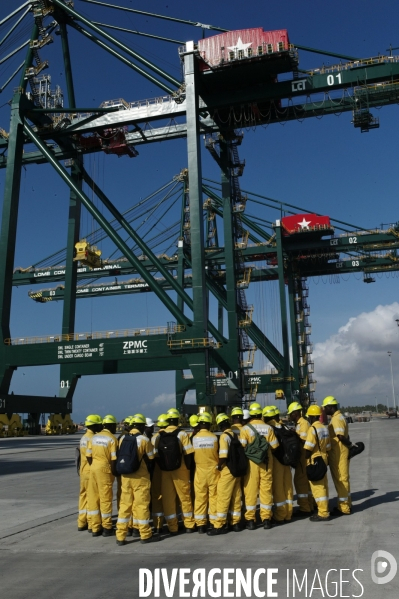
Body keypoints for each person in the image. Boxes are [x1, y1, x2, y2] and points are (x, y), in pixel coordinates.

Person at [116, 414, 159, 545]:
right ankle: (145, 535)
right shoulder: (143, 440)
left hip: (126, 476)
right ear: (141, 426)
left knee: (125, 506)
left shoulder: (123, 438)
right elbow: (151, 457)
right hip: (140, 477)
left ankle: (120, 536)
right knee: (141, 506)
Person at [153, 407, 195, 534]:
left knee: (168, 499)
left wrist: (163, 467)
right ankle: (189, 524)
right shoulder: (182, 434)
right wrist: (188, 470)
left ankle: (172, 527)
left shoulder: (159, 436)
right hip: (180, 470)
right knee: (185, 497)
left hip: (165, 471)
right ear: (177, 420)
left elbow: (155, 455)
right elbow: (188, 454)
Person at [239, 402, 279, 530]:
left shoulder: (245, 429)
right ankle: (266, 519)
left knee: (250, 491)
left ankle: (250, 520)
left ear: (250, 414)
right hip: (266, 463)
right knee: (266, 490)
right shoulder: (269, 428)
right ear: (261, 414)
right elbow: (274, 446)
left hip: (251, 463)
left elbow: (242, 447)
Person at [207, 413, 242, 536]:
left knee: (222, 497)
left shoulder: (223, 437)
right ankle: (235, 523)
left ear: (220, 424)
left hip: (228, 471)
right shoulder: (235, 434)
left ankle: (219, 525)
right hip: (237, 471)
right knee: (236, 497)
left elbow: (223, 456)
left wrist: (218, 466)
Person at [86, 414, 118, 537]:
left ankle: (95, 527)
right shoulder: (112, 439)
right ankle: (107, 527)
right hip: (105, 469)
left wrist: (94, 465)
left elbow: (88, 456)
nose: (115, 428)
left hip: (93, 467)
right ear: (110, 426)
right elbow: (114, 459)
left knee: (93, 497)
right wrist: (114, 472)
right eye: (114, 425)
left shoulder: (94, 438)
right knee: (105, 499)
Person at [262, 406, 293, 524]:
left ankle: (280, 514)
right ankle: (288, 513)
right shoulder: (283, 426)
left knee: (278, 488)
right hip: (286, 460)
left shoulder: (270, 428)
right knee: (288, 487)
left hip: (277, 461)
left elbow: (273, 446)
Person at [322, 396, 352, 515]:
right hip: (340, 452)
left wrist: (351, 445)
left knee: (341, 479)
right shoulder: (338, 417)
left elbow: (340, 436)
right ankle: (346, 504)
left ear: (330, 407)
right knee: (344, 480)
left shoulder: (336, 419)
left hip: (338, 453)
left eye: (325, 408)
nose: (324, 410)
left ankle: (344, 508)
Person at [192, 412, 219, 532]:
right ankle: (213, 522)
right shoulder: (214, 438)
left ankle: (200, 524)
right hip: (214, 470)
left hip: (200, 471)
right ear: (209, 424)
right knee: (214, 497)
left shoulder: (194, 438)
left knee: (200, 497)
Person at [304, 405, 331, 522]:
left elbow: (308, 448)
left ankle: (323, 513)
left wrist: (305, 459)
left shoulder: (312, 429)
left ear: (311, 417)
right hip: (324, 458)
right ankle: (324, 509)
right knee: (324, 486)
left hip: (315, 459)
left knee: (318, 488)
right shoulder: (324, 428)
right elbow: (328, 446)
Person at [77, 414, 103, 532]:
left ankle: (82, 522)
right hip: (90, 471)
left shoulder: (83, 437)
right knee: (93, 497)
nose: (101, 426)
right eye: (99, 424)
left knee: (83, 496)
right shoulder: (92, 439)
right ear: (94, 425)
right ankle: (92, 523)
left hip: (83, 471)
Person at [288, 401, 312, 517]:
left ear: (295, 413)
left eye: (290, 414)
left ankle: (305, 508)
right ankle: (309, 505)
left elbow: (304, 440)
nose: (289, 416)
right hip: (301, 458)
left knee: (300, 482)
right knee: (305, 483)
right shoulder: (299, 424)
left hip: (303, 458)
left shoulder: (303, 424)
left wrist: (294, 435)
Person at [150, 413, 169, 534]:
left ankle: (158, 525)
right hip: (169, 470)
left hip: (157, 470)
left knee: (156, 497)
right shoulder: (174, 436)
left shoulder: (154, 438)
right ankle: (174, 522)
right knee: (169, 496)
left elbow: (152, 456)